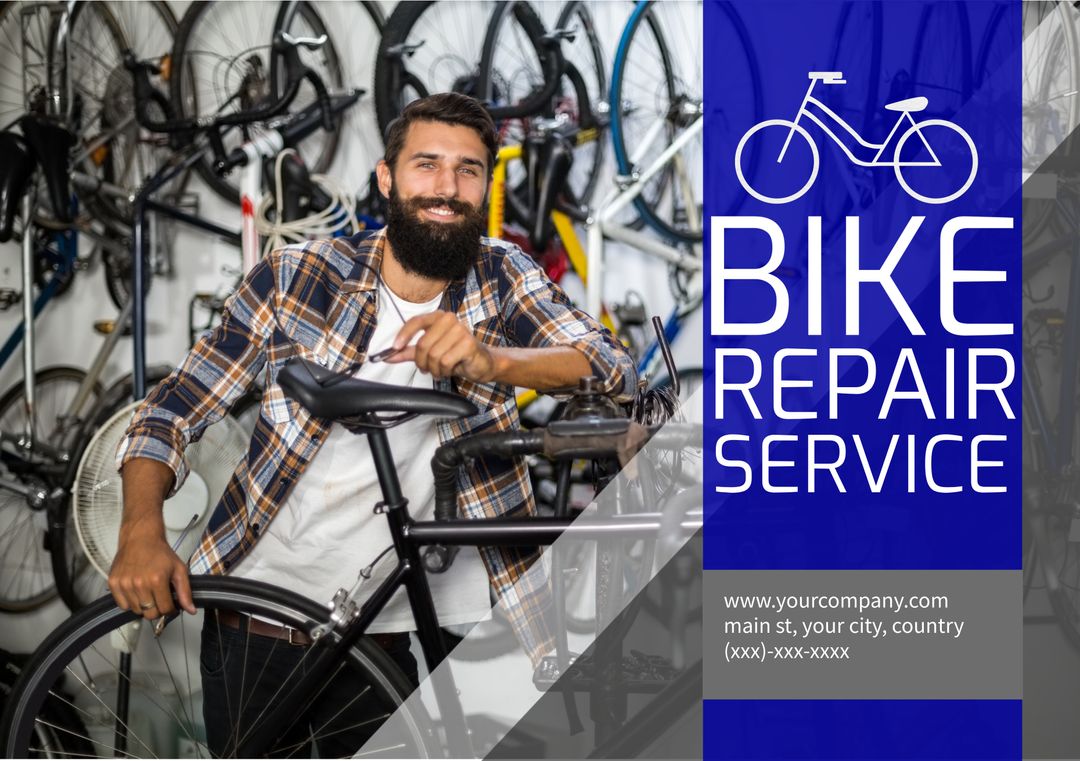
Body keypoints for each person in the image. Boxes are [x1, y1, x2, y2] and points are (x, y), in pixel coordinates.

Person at [107, 92, 637, 755]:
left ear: (486, 185)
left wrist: (490, 358)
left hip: (401, 631)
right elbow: (171, 408)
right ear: (387, 178)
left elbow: (610, 366)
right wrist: (140, 530)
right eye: (426, 164)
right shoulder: (296, 277)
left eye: (468, 170)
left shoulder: (502, 274)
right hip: (264, 623)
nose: (447, 188)